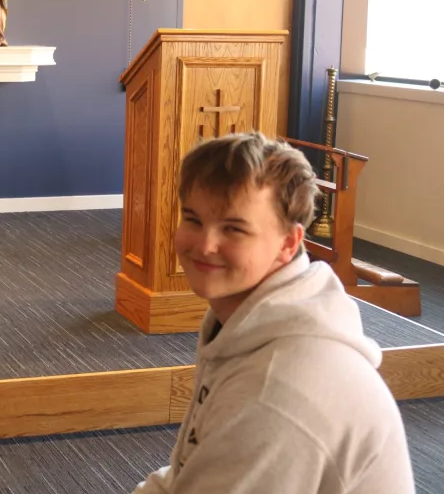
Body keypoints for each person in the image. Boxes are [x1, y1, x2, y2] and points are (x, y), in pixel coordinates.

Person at [133, 132, 414, 494]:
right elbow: (189, 466)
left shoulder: (275, 389)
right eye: (193, 219)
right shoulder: (245, 322)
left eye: (234, 228)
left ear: (289, 242)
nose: (205, 245)